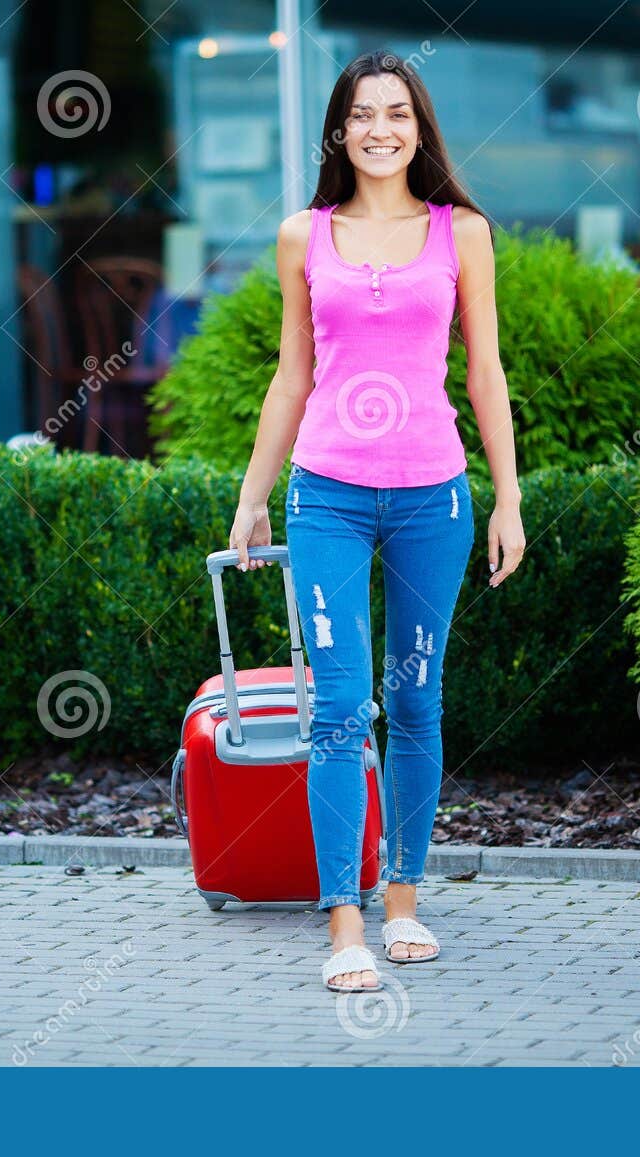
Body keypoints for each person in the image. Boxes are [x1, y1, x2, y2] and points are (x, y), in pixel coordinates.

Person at [228, 50, 525, 994]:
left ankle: (404, 901)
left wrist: (508, 497)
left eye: (398, 112)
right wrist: (251, 493)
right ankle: (344, 921)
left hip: (433, 498)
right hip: (330, 495)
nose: (381, 129)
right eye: (363, 114)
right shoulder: (302, 236)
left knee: (418, 704)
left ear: (419, 127)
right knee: (341, 709)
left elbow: (485, 373)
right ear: (340, 129)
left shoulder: (462, 232)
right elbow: (292, 373)